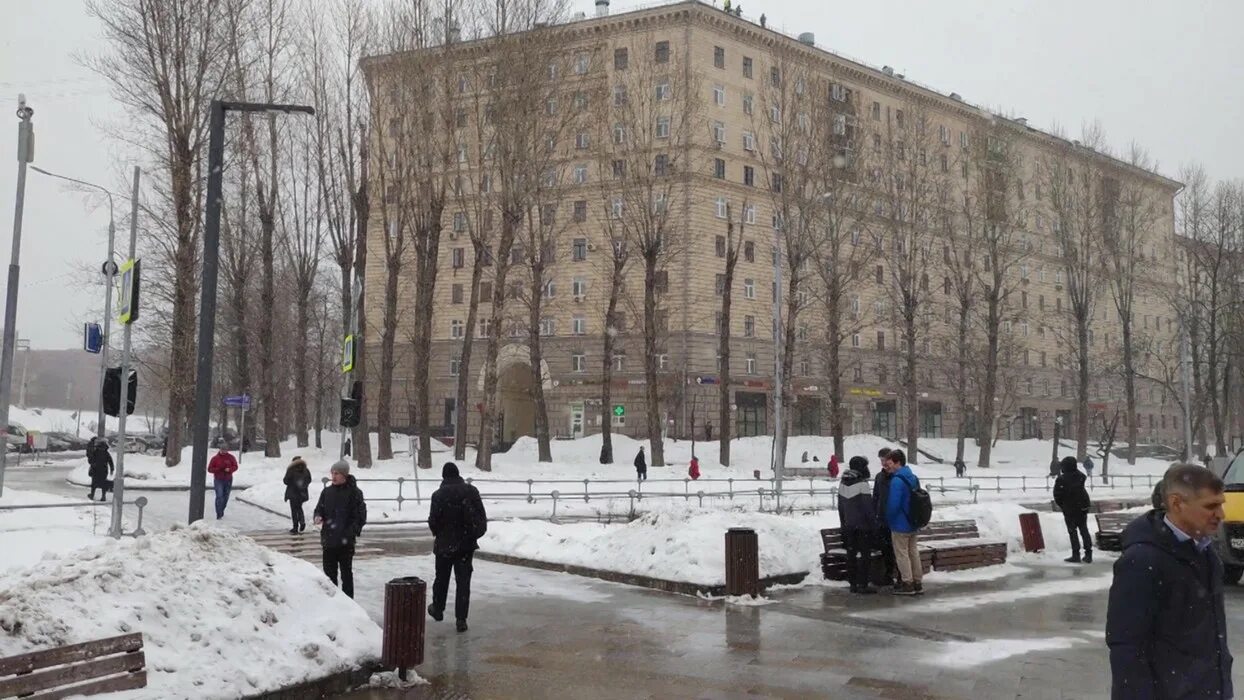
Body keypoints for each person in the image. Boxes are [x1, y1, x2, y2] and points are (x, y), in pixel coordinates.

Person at [1107, 464, 1233, 699]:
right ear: (1176, 503)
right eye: (1211, 506)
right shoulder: (1142, 561)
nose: (1221, 515)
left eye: (1221, 504)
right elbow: (1127, 647)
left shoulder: (1207, 554)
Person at [428, 462, 487, 633]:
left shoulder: (438, 495)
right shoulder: (471, 491)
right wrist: (473, 535)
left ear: (444, 476)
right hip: (466, 545)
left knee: (441, 578)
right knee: (463, 582)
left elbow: (433, 521)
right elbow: (481, 517)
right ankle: (461, 619)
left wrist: (440, 534)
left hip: (444, 545)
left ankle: (438, 609)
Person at [313, 459, 367, 598]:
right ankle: (333, 603)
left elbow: (360, 517)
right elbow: (320, 508)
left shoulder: (355, 493)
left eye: (337, 473)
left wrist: (350, 533)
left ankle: (348, 603)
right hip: (328, 541)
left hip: (345, 542)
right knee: (329, 577)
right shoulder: (327, 492)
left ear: (344, 475)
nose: (334, 476)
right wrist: (318, 516)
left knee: (346, 574)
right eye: (332, 473)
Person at [883, 449, 923, 595]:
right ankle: (918, 582)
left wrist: (889, 518)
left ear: (897, 462)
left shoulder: (897, 480)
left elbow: (893, 504)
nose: (888, 467)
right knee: (913, 552)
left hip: (900, 523)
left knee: (902, 554)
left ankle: (907, 583)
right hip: (913, 520)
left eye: (890, 463)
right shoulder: (912, 477)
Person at [838, 456, 877, 594]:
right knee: (865, 556)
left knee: (851, 555)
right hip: (863, 527)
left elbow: (841, 507)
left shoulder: (843, 482)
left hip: (849, 526)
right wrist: (873, 525)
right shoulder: (862, 484)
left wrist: (844, 524)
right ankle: (863, 584)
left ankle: (853, 584)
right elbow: (868, 508)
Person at [1053, 456, 1093, 563]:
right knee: (1084, 530)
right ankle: (1088, 553)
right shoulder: (1080, 477)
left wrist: (1063, 505)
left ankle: (1076, 554)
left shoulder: (1062, 479)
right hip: (1082, 507)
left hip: (1070, 509)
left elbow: (1057, 495)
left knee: (1073, 532)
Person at [872, 447, 898, 587]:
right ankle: (888, 574)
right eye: (881, 460)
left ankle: (899, 575)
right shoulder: (879, 477)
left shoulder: (897, 476)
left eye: (885, 460)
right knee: (886, 549)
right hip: (882, 520)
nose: (883, 463)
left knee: (897, 549)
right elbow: (876, 497)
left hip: (895, 520)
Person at [283, 456, 313, 535]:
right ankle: (302, 522)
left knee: (294, 510)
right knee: (299, 508)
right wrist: (303, 486)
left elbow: (286, 481)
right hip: (302, 493)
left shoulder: (291, 470)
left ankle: (295, 527)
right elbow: (309, 480)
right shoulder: (306, 470)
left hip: (293, 493)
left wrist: (292, 483)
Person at [207, 447, 238, 519]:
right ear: (220, 450)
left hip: (228, 479)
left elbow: (235, 466)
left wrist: (230, 469)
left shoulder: (231, 457)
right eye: (222, 450)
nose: (224, 451)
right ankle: (219, 513)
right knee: (219, 496)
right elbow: (210, 469)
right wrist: (218, 469)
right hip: (218, 479)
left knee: (226, 496)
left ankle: (222, 510)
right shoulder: (215, 458)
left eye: (225, 450)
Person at [86, 438, 114, 502]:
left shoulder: (95, 452)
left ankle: (92, 495)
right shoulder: (106, 453)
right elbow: (110, 461)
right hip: (104, 470)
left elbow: (91, 460)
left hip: (96, 470)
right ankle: (103, 496)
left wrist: (92, 463)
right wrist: (112, 469)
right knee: (103, 483)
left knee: (94, 483)